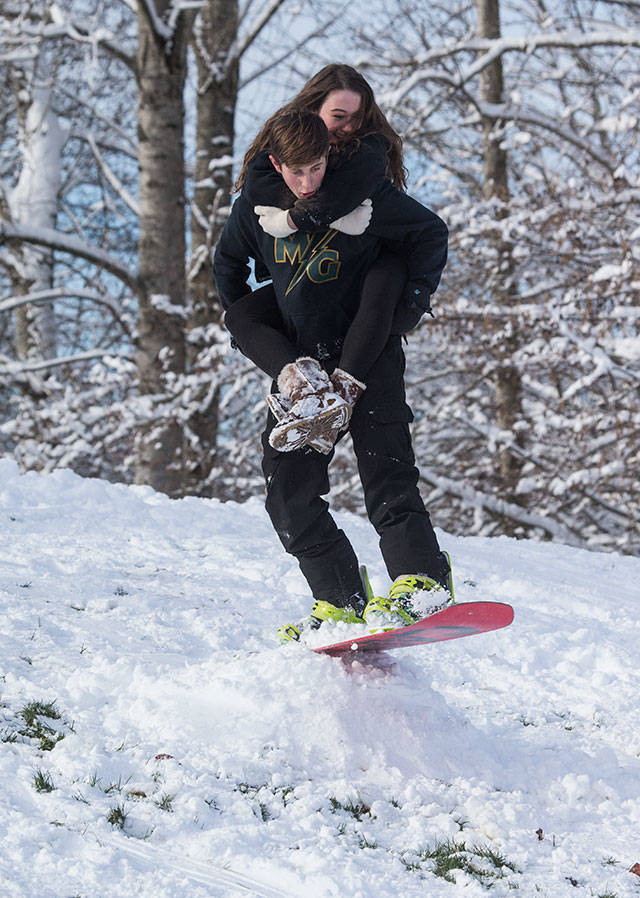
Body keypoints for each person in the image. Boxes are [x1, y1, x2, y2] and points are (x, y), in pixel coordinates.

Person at [214, 104, 453, 642]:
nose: (306, 182)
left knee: (386, 470)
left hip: (368, 357)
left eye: (316, 169)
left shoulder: (369, 199)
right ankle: (340, 598)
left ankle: (423, 582)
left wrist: (405, 315)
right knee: (286, 491)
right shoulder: (256, 208)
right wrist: (258, 331)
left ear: (329, 156)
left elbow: (428, 236)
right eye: (295, 172)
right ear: (276, 164)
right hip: (303, 368)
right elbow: (227, 268)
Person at [224, 63, 449, 453]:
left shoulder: (365, 167)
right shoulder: (271, 174)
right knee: (240, 316)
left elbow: (428, 231)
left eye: (356, 118)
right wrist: (258, 332)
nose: (348, 127)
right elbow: (228, 258)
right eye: (338, 117)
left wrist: (412, 304)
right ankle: (305, 389)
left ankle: (343, 390)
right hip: (302, 319)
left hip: (365, 312)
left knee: (387, 270)